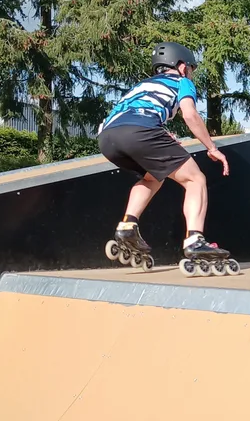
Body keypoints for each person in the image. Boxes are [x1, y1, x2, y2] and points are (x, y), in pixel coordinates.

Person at [97, 41, 231, 265]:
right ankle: (195, 240)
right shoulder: (182, 82)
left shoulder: (142, 85)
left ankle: (128, 226)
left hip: (107, 138)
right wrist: (212, 148)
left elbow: (135, 112)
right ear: (181, 66)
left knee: (153, 177)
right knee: (195, 179)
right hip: (141, 131)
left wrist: (160, 134)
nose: (190, 73)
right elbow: (190, 115)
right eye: (189, 68)